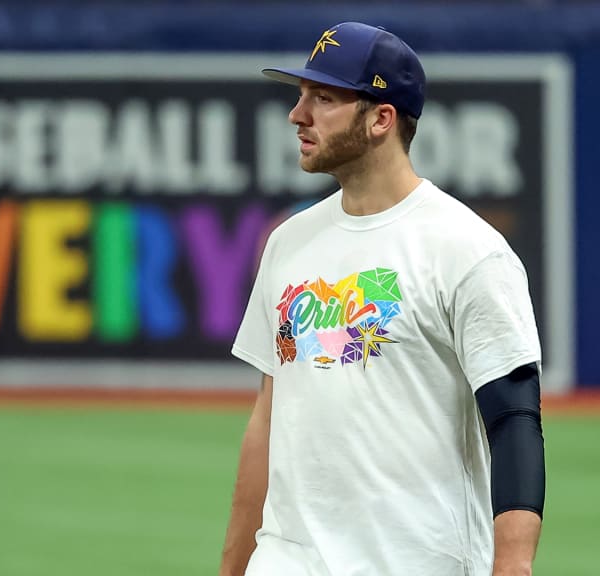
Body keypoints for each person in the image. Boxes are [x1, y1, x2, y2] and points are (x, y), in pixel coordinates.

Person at [221, 21, 545, 576]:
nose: (297, 115)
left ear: (380, 118)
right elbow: (268, 417)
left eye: (323, 98)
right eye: (300, 96)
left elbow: (514, 419)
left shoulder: (466, 250)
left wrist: (512, 564)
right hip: (288, 560)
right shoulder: (288, 243)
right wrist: (234, 565)